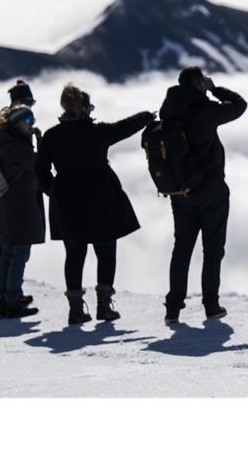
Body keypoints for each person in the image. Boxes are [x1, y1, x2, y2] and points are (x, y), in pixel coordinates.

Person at [35, 84, 154, 325]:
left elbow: (40, 171)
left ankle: (76, 310)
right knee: (106, 254)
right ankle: (104, 306)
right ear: (85, 109)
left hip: (68, 203)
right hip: (102, 199)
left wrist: (54, 192)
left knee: (75, 255)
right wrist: (147, 116)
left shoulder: (51, 136)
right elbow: (125, 127)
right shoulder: (98, 132)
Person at [160, 67, 247, 325]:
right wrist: (214, 88)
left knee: (182, 248)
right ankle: (211, 305)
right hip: (212, 192)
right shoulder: (206, 110)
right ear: (198, 83)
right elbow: (240, 105)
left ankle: (173, 308)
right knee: (212, 250)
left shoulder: (169, 112)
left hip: (181, 193)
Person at [0, 104, 46, 318]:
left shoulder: (2, 140)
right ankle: (13, 300)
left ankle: (3, 299)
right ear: (18, 122)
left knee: (8, 252)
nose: (32, 125)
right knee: (19, 252)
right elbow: (38, 166)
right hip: (20, 205)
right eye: (28, 121)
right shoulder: (18, 146)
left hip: (5, 203)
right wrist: (41, 143)